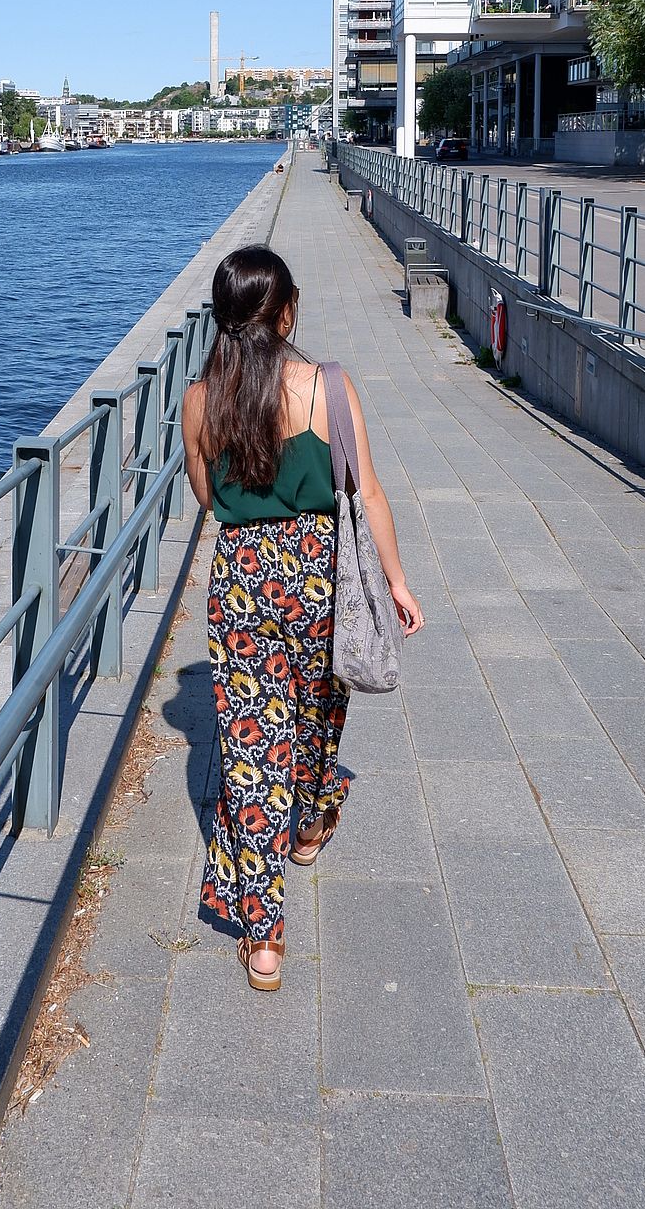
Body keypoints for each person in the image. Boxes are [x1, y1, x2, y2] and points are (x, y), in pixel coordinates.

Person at [181, 244, 422, 991]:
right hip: (318, 574)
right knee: (319, 713)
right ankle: (311, 826)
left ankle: (262, 941)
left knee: (253, 756)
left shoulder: (199, 400)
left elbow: (208, 500)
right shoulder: (329, 388)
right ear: (286, 312)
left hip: (242, 580)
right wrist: (398, 581)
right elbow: (371, 494)